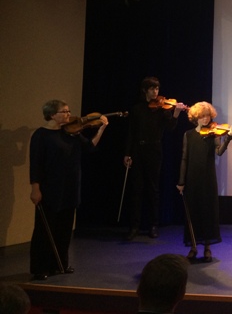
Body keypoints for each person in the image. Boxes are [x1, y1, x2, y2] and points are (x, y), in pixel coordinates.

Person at [29, 100, 108, 280]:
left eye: (68, 111)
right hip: (50, 189)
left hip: (70, 188)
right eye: (64, 111)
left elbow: (90, 147)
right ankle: (40, 268)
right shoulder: (41, 135)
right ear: (52, 114)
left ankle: (60, 265)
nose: (68, 114)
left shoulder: (71, 133)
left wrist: (101, 129)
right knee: (45, 230)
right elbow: (36, 165)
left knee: (64, 229)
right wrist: (35, 189)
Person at [125, 77, 185, 240]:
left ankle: (154, 225)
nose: (155, 92)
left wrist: (176, 113)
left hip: (154, 150)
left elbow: (171, 127)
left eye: (157, 89)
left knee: (153, 189)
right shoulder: (137, 109)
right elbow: (131, 133)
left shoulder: (162, 109)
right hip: (138, 150)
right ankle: (134, 226)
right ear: (145, 90)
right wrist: (127, 153)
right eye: (152, 89)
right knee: (136, 189)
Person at [176, 102, 232, 262]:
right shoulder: (188, 135)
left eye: (207, 116)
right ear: (196, 117)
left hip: (208, 178)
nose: (205, 119)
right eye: (202, 116)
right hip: (192, 178)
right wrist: (181, 181)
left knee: (208, 211)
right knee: (193, 212)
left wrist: (228, 138)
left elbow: (219, 152)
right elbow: (184, 158)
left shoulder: (214, 134)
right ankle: (193, 246)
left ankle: (207, 247)